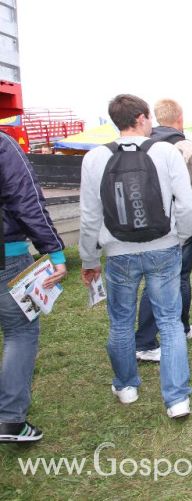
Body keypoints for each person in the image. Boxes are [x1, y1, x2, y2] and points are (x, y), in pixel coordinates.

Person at [79, 94, 192, 418]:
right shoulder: (166, 153)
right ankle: (177, 400)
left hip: (118, 252)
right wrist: (181, 236)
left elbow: (89, 217)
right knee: (170, 323)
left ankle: (126, 386)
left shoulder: (94, 159)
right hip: (164, 247)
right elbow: (186, 206)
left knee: (120, 321)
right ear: (143, 118)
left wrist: (89, 260)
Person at [135, 99, 192, 363]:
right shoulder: (184, 146)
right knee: (180, 277)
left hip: (146, 225)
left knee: (153, 281)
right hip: (178, 226)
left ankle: (145, 339)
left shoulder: (143, 144)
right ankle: (177, 329)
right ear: (180, 118)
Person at [0, 131, 67, 443]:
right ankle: (11, 420)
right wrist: (53, 251)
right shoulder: (3, 145)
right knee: (21, 331)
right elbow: (26, 200)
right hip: (6, 256)